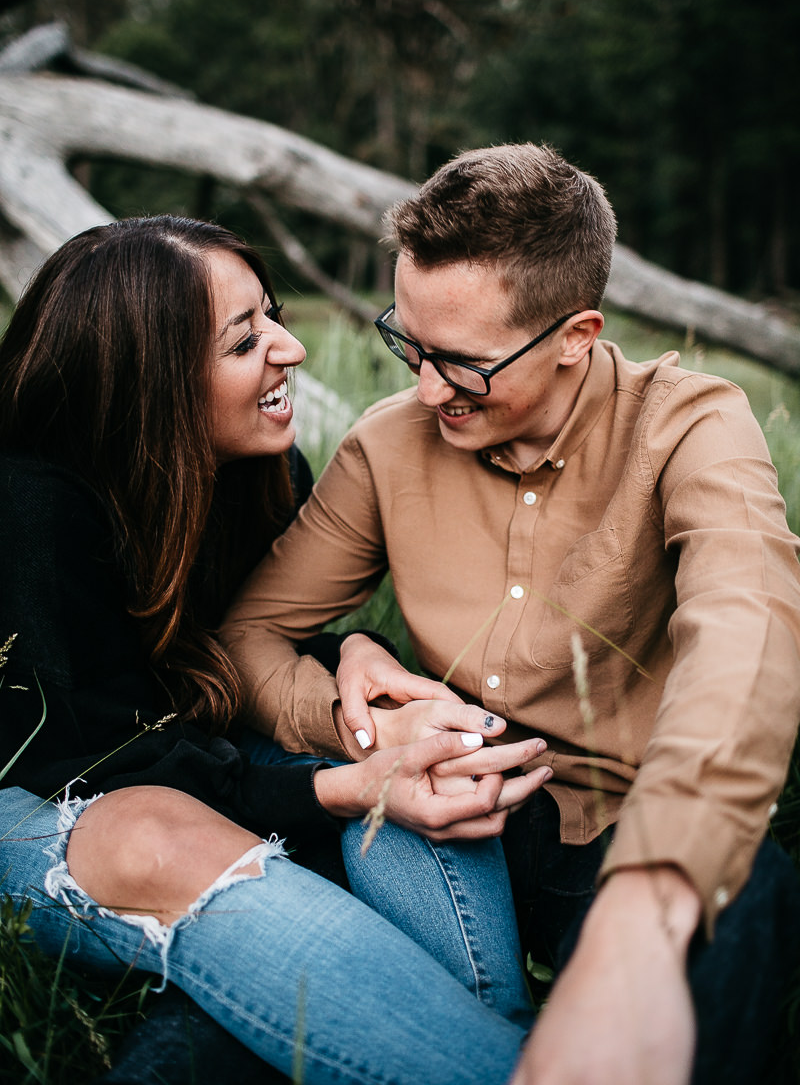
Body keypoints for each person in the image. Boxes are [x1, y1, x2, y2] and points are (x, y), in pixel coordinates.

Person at [221, 144, 800, 1085]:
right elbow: (245, 636)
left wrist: (649, 900)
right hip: (437, 812)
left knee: (747, 894)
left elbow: (750, 632)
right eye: (407, 342)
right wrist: (362, 724)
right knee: (217, 1018)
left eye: (465, 363)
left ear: (577, 333)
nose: (427, 388)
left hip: (628, 820)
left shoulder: (692, 424)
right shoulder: (388, 444)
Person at [0, 215, 555, 1085]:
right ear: (151, 380)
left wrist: (357, 661)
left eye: (273, 315)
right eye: (243, 339)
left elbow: (235, 642)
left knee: (396, 728)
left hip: (195, 760)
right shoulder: (27, 515)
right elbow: (92, 756)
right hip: (45, 802)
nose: (290, 349)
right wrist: (338, 790)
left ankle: (488, 1033)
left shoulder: (256, 471)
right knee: (160, 830)